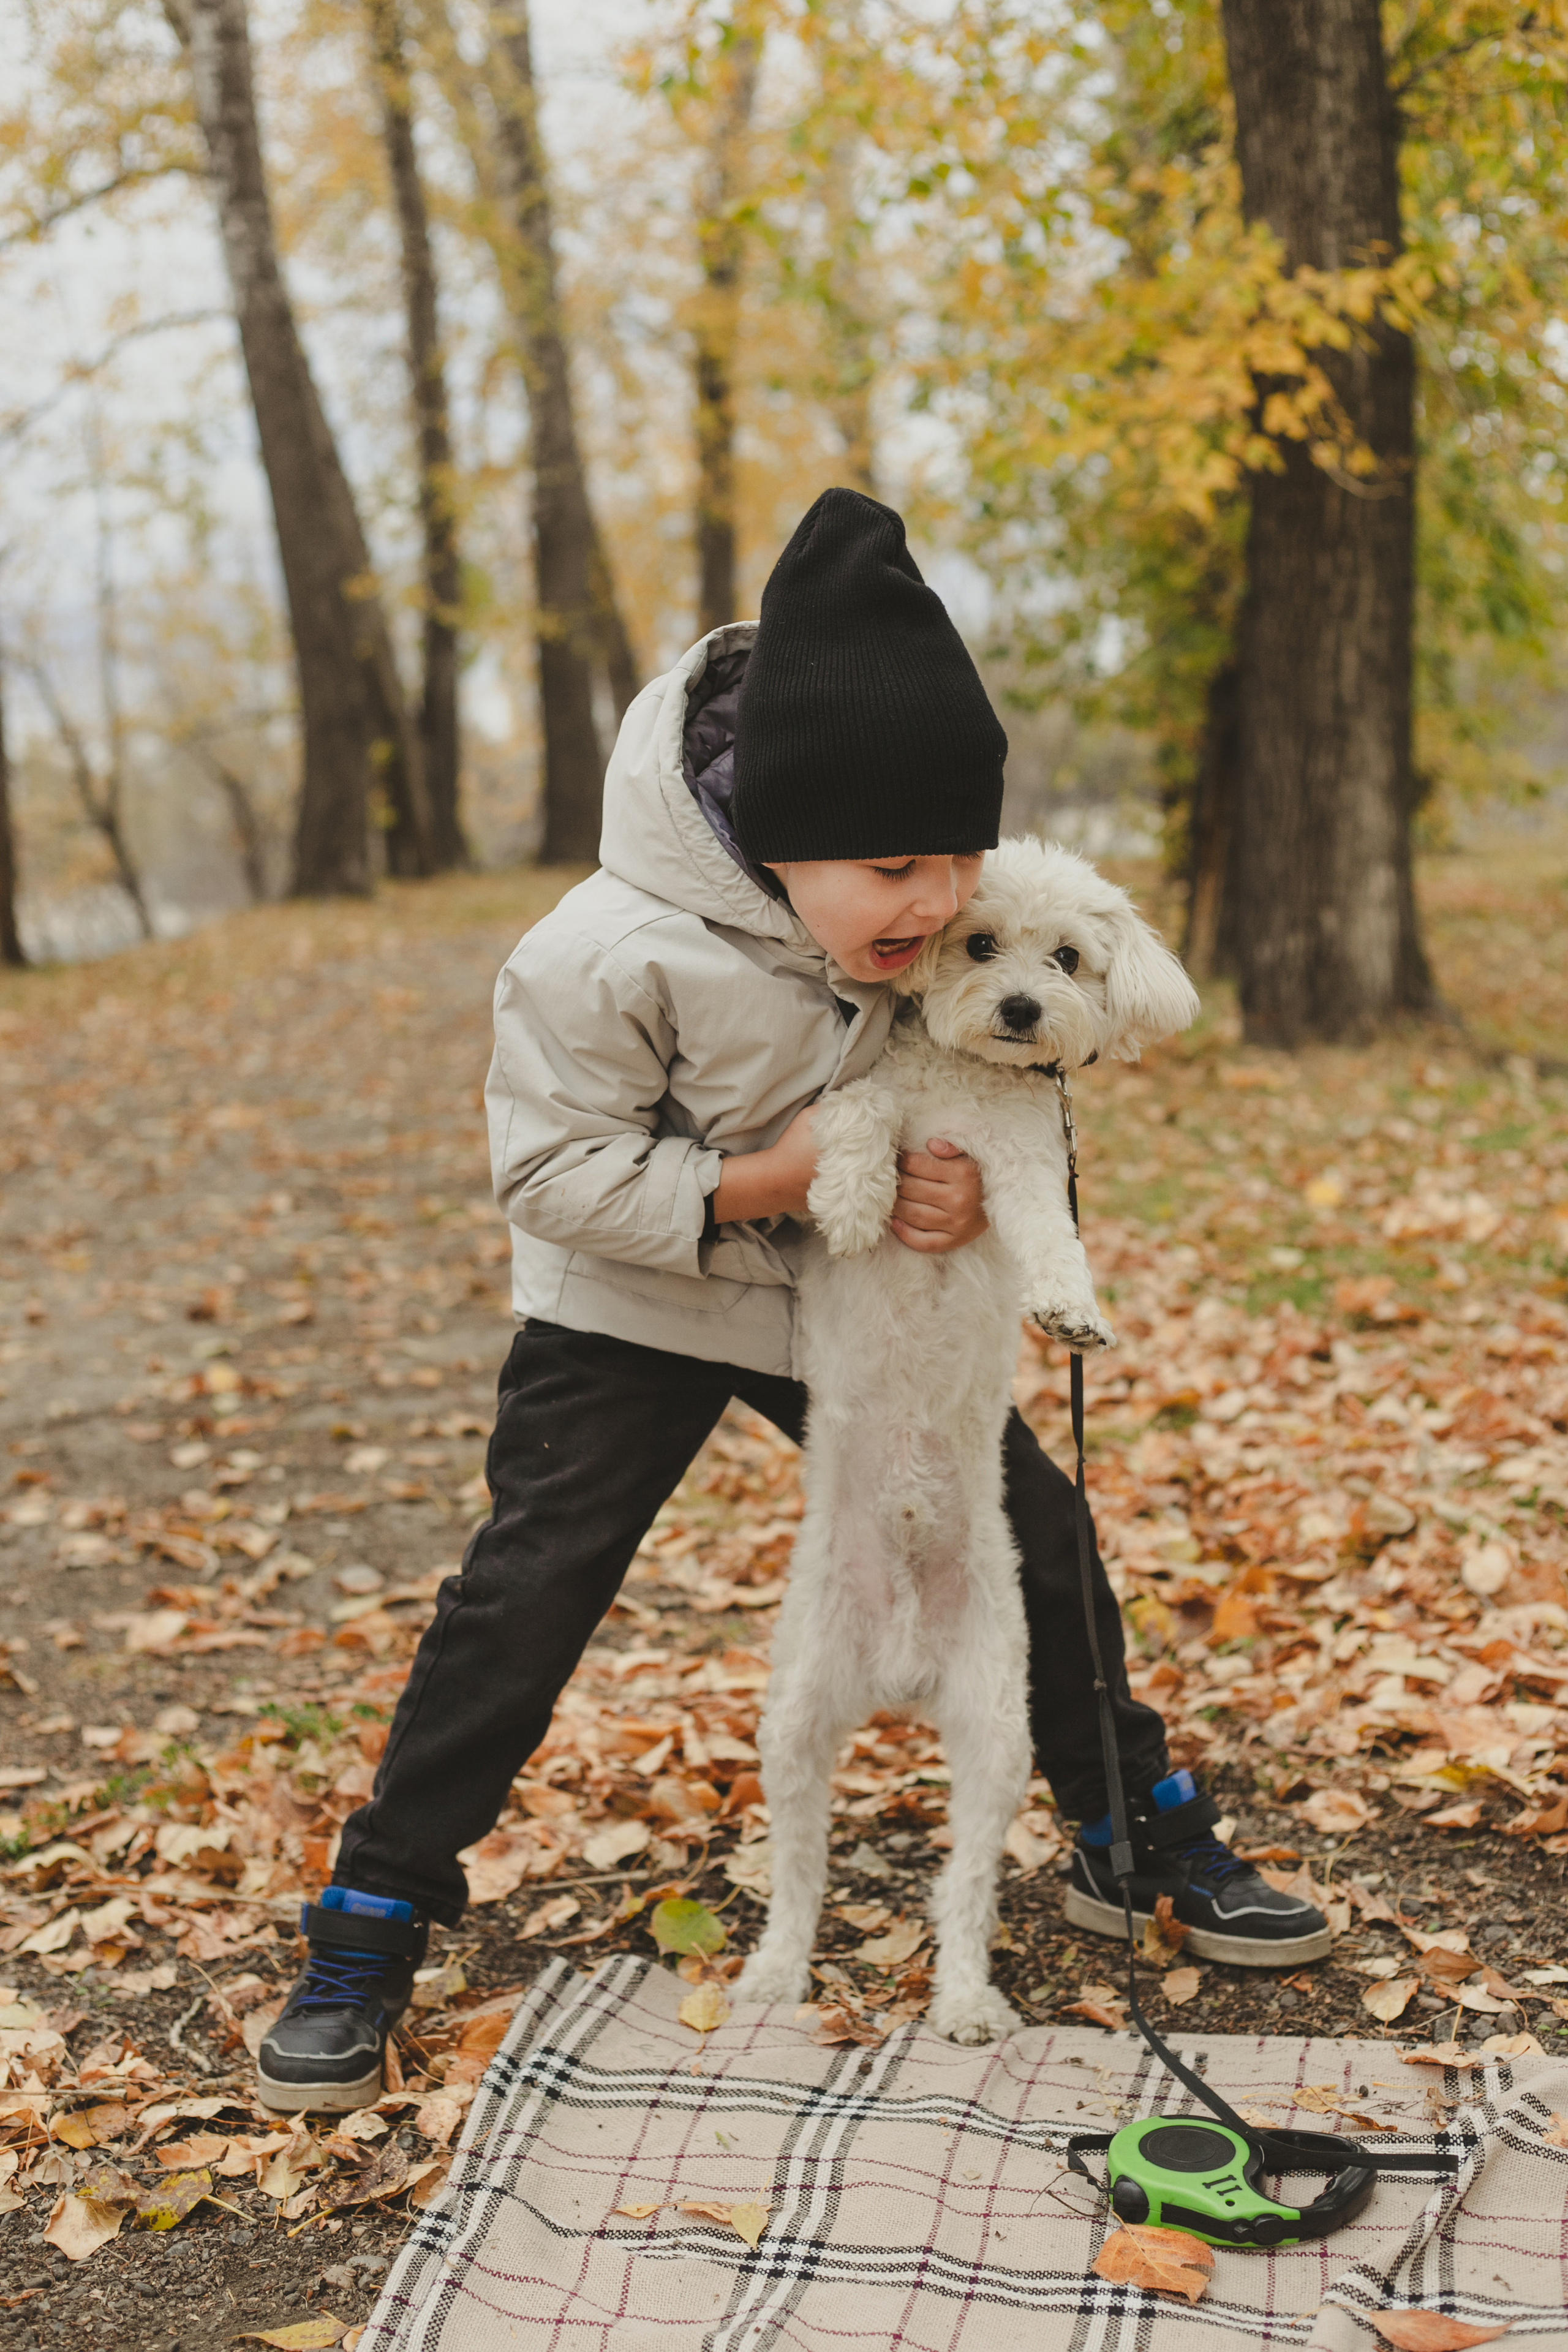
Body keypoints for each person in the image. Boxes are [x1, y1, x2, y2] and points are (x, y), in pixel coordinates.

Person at [257, 490, 1327, 2114]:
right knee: (533, 1580)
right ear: (775, 838)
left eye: (957, 860)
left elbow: (993, 1068)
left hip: (852, 1306)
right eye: (896, 868)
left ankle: (1124, 1816)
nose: (933, 901)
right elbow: (548, 1181)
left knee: (1035, 1533)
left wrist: (950, 1186)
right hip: (637, 1299)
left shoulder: (917, 929)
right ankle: (379, 1902)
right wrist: (772, 1176)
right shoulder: (600, 954)